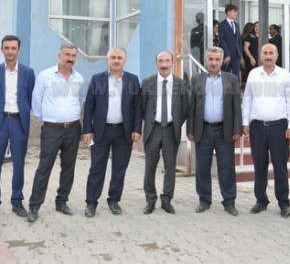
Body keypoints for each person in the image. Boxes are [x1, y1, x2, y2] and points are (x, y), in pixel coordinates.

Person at [27, 43, 85, 223]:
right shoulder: (45, 76)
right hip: (52, 129)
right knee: (45, 167)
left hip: (73, 129)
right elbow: (36, 100)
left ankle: (62, 201)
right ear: (59, 55)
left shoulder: (79, 78)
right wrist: (45, 120)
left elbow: (79, 100)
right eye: (67, 54)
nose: (70, 58)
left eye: (73, 55)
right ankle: (34, 205)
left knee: (68, 167)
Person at [83, 47, 142, 217]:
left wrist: (137, 129)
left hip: (124, 132)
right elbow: (89, 106)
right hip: (100, 131)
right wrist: (87, 129)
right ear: (107, 60)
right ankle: (91, 202)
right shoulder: (97, 79)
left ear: (124, 60)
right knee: (96, 168)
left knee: (119, 168)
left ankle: (114, 200)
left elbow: (138, 107)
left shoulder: (132, 80)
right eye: (113, 57)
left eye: (119, 58)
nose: (116, 60)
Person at [242, 43, 290, 218]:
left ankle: (284, 203)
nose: (268, 56)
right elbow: (247, 100)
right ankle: (261, 200)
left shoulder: (284, 75)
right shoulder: (253, 74)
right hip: (257, 128)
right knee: (259, 166)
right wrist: (245, 122)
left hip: (279, 128)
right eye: (265, 53)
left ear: (276, 55)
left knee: (280, 167)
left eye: (271, 53)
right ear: (260, 55)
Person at [0, 35, 36, 220]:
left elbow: (30, 97)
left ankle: (17, 201)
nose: (10, 51)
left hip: (18, 122)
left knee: (19, 164)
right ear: (2, 49)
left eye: (13, 48)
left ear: (18, 50)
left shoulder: (28, 72)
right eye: (7, 48)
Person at [188, 46, 242, 216]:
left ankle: (229, 201)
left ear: (222, 61)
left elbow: (236, 106)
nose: (213, 62)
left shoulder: (231, 79)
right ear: (206, 60)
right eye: (210, 59)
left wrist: (237, 128)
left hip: (224, 131)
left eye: (217, 59)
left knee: (227, 167)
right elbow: (191, 106)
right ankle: (204, 200)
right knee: (202, 167)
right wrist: (190, 129)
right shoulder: (196, 79)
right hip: (202, 130)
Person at [141, 51, 190, 214]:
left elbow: (185, 108)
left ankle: (166, 200)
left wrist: (175, 123)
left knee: (170, 167)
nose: (164, 64)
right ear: (156, 63)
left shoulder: (181, 84)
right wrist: (150, 122)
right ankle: (150, 199)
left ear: (172, 63)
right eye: (161, 61)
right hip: (153, 130)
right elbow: (142, 107)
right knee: (150, 167)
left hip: (171, 131)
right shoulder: (147, 83)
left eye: (167, 61)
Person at [218, 4, 243, 78]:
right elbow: (222, 41)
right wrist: (227, 54)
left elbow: (239, 41)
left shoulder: (237, 25)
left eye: (236, 11)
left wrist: (241, 55)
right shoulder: (222, 25)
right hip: (227, 55)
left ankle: (236, 86)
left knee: (236, 75)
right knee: (225, 75)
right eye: (234, 11)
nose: (236, 13)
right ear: (228, 12)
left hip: (236, 55)